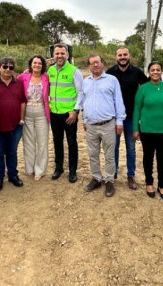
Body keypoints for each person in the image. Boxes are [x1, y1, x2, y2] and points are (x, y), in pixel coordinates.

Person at [77, 55, 126, 197]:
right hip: (91, 125)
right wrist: (85, 120)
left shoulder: (112, 80)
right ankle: (96, 178)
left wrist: (119, 122)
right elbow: (84, 101)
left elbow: (118, 101)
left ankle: (109, 180)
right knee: (93, 154)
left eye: (98, 62)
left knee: (109, 155)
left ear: (102, 64)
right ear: (89, 66)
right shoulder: (86, 82)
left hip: (108, 124)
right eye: (92, 63)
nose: (95, 65)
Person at [132, 61, 163, 201]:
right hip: (147, 130)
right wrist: (135, 128)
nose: (155, 72)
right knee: (148, 158)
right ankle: (149, 183)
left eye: (158, 69)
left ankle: (162, 185)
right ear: (148, 72)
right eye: (153, 70)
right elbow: (137, 110)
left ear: (161, 71)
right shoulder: (143, 88)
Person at [106, 47, 147, 190]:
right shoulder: (109, 73)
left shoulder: (137, 72)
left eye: (125, 54)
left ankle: (131, 175)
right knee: (114, 147)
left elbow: (146, 90)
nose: (122, 57)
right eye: (120, 55)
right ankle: (114, 172)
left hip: (131, 117)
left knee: (131, 148)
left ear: (129, 56)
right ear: (116, 57)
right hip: (114, 118)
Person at [0, 57, 26, 191]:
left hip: (15, 125)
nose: (8, 70)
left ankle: (13, 175)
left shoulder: (19, 82)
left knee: (12, 152)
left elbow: (23, 101)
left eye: (11, 67)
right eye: (5, 67)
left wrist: (21, 119)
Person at [48, 43, 83, 183]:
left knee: (71, 142)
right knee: (57, 141)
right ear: (53, 55)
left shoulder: (74, 71)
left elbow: (81, 93)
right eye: (57, 53)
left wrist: (75, 111)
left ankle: (73, 171)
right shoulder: (50, 70)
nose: (59, 56)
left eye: (62, 53)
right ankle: (59, 167)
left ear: (67, 55)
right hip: (54, 112)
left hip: (69, 115)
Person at [17, 55, 50, 180]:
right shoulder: (23, 77)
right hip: (27, 112)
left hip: (42, 111)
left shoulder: (46, 78)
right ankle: (29, 168)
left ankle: (40, 170)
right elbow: (11, 81)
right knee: (28, 142)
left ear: (42, 66)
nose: (37, 65)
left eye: (39, 63)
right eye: (34, 63)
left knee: (42, 143)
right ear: (30, 64)